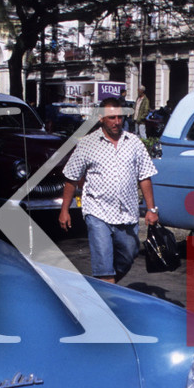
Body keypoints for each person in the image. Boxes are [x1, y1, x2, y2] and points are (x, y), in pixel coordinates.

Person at [58, 96, 159, 283]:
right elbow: (71, 178)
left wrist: (151, 209)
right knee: (104, 267)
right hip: (97, 213)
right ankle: (106, 288)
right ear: (101, 118)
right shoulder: (87, 144)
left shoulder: (134, 143)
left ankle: (102, 287)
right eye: (112, 118)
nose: (117, 122)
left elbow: (145, 176)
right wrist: (65, 210)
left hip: (127, 214)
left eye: (120, 117)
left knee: (129, 254)